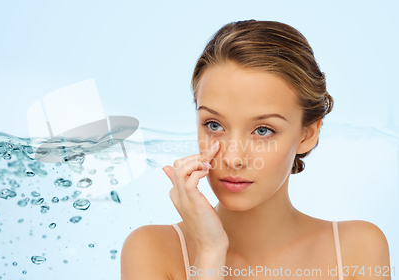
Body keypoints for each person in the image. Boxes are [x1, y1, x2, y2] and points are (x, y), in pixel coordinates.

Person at [120, 19, 391, 280]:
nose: (233, 158)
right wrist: (210, 251)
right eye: (213, 125)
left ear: (307, 134)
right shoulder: (151, 250)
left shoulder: (357, 250)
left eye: (263, 130)